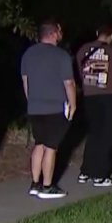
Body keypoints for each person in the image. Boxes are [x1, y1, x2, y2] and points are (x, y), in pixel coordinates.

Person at [20, 20, 76, 199]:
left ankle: (35, 183)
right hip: (54, 107)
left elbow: (25, 81)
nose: (61, 33)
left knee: (39, 144)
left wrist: (32, 101)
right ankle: (47, 186)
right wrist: (73, 103)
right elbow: (69, 83)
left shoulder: (28, 53)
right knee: (51, 147)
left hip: (35, 107)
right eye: (59, 30)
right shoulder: (61, 56)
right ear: (53, 33)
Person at [76, 24, 112, 187]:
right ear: (111, 36)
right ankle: (100, 174)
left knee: (94, 133)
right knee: (109, 135)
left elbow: (80, 71)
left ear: (97, 33)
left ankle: (86, 171)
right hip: (109, 96)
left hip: (90, 97)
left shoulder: (83, 50)